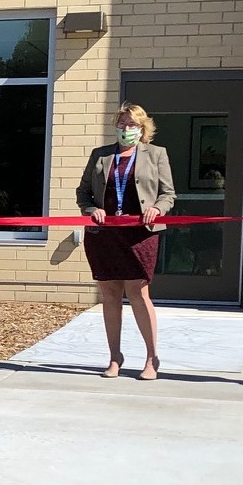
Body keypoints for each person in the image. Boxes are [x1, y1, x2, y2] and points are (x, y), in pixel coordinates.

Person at [76, 104, 176, 379]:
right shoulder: (101, 155)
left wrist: (157, 208)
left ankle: (151, 358)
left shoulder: (156, 154)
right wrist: (90, 209)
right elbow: (83, 192)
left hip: (140, 233)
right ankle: (114, 357)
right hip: (104, 234)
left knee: (137, 292)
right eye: (121, 124)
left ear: (143, 128)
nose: (125, 129)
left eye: (131, 124)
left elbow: (168, 194)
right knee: (109, 294)